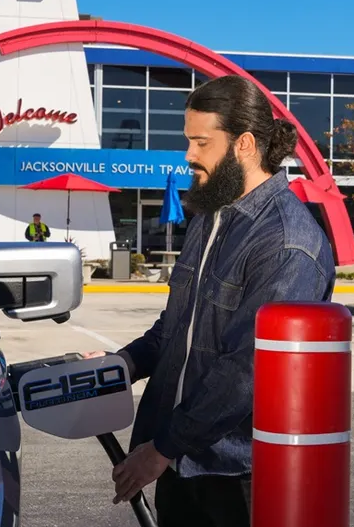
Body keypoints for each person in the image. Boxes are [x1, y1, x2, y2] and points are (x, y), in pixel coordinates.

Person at [84, 75, 336, 526]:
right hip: (180, 464)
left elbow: (247, 371)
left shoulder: (286, 243)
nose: (189, 155)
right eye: (188, 140)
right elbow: (173, 328)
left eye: (201, 142)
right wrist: (119, 365)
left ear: (243, 144)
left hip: (239, 476)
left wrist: (161, 449)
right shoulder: (208, 217)